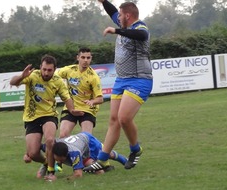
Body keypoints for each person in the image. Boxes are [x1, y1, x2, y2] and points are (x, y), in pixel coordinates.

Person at [83, 0, 153, 172]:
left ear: (128, 16)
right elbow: (112, 11)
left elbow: (142, 36)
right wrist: (103, 1)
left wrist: (115, 31)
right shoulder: (123, 22)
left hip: (139, 80)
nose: (117, 18)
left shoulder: (140, 28)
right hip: (121, 80)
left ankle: (135, 149)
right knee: (114, 120)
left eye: (121, 16)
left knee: (123, 118)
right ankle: (102, 160)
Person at [10, 54, 83, 179]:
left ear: (54, 70)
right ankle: (47, 163)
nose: (46, 72)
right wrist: (22, 76)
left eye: (49, 70)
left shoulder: (58, 81)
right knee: (33, 154)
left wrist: (72, 109)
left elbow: (66, 97)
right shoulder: (33, 76)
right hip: (31, 117)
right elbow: (13, 82)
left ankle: (51, 173)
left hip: (49, 116)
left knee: (50, 140)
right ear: (40, 67)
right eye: (44, 69)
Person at [57, 47, 104, 137]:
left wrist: (92, 101)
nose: (85, 60)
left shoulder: (94, 77)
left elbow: (100, 99)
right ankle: (69, 151)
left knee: (86, 138)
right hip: (71, 107)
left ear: (91, 58)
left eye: (88, 58)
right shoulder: (69, 70)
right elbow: (53, 77)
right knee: (63, 135)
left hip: (87, 109)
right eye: (83, 57)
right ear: (77, 58)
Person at [44, 132, 128, 181]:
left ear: (66, 155)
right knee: (99, 172)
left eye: (61, 161)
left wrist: (61, 180)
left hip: (89, 141)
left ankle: (125, 161)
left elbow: (78, 175)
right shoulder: (53, 147)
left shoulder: (74, 153)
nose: (59, 162)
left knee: (106, 153)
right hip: (82, 149)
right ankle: (105, 167)